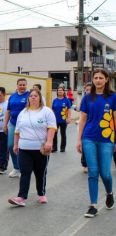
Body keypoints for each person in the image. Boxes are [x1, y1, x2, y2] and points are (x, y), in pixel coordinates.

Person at [8, 89, 57, 207]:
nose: (33, 97)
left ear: (40, 98)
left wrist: (49, 142)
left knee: (40, 173)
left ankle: (41, 193)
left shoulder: (47, 112)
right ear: (28, 98)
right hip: (24, 148)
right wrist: (15, 144)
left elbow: (52, 128)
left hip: (41, 149)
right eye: (31, 96)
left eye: (36, 96)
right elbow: (17, 130)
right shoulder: (23, 112)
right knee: (25, 172)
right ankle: (21, 197)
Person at [77, 68, 115, 218]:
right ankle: (93, 205)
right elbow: (83, 120)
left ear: (106, 80)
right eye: (96, 78)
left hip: (107, 139)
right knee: (93, 172)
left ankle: (109, 193)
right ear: (93, 80)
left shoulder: (113, 97)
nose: (98, 80)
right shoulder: (87, 98)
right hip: (89, 138)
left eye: (101, 78)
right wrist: (79, 139)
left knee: (105, 173)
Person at [3, 78, 29, 178]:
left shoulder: (29, 96)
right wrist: (5, 124)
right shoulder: (12, 97)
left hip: (25, 125)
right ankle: (16, 168)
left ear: (26, 85)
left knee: (23, 147)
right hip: (13, 124)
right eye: (20, 85)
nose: (22, 86)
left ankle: (24, 168)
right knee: (11, 145)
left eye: (24, 85)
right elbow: (8, 111)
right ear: (17, 86)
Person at [52, 87, 71, 153]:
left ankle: (62, 148)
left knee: (63, 134)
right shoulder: (55, 100)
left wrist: (68, 118)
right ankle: (54, 148)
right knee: (54, 134)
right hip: (55, 121)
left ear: (63, 92)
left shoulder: (66, 100)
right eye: (58, 90)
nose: (59, 91)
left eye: (61, 90)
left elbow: (69, 110)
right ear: (57, 92)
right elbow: (53, 110)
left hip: (63, 120)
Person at [80, 83, 92, 173]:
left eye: (90, 90)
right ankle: (85, 164)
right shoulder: (84, 100)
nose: (88, 91)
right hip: (85, 127)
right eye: (87, 90)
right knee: (85, 147)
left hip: (95, 128)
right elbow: (82, 115)